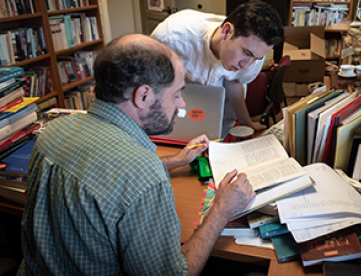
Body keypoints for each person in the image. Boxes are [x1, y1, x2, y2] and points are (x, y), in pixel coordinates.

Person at [18, 34, 255, 275]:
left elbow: (108, 179)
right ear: (142, 96)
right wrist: (221, 211)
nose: (181, 104)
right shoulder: (143, 173)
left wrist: (175, 161)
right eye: (176, 94)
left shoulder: (55, 130)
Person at [151, 0, 284, 138]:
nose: (246, 65)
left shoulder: (253, 55)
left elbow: (233, 81)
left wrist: (246, 122)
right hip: (180, 107)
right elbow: (156, 86)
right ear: (226, 32)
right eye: (247, 53)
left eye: (257, 58)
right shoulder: (170, 37)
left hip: (221, 112)